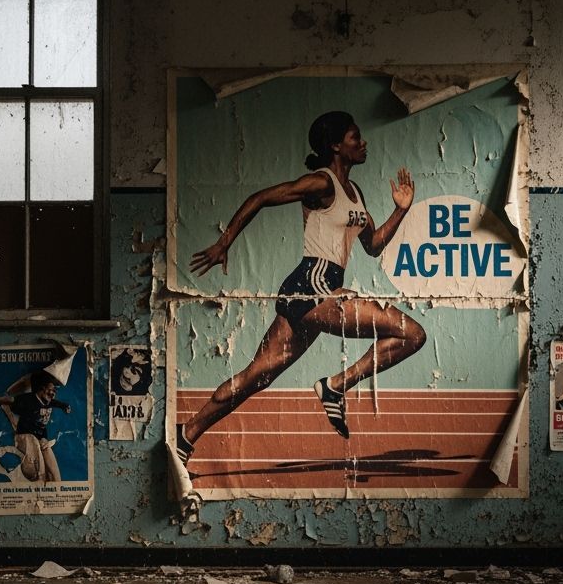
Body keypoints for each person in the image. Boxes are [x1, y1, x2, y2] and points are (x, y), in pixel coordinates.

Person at [177, 110, 426, 470]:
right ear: (336, 145)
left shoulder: (354, 193)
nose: (363, 142)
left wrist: (400, 210)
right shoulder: (321, 184)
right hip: (313, 283)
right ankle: (336, 385)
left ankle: (186, 434)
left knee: (255, 376)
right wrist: (224, 243)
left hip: (316, 288)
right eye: (356, 137)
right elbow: (260, 198)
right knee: (412, 334)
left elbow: (372, 245)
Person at [0, 370, 70, 483]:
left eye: (54, 391)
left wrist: (65, 406)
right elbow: (7, 400)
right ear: (42, 388)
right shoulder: (28, 399)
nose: (53, 393)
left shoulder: (48, 401)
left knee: (55, 477)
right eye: (50, 390)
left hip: (40, 438)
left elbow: (57, 403)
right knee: (37, 474)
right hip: (27, 436)